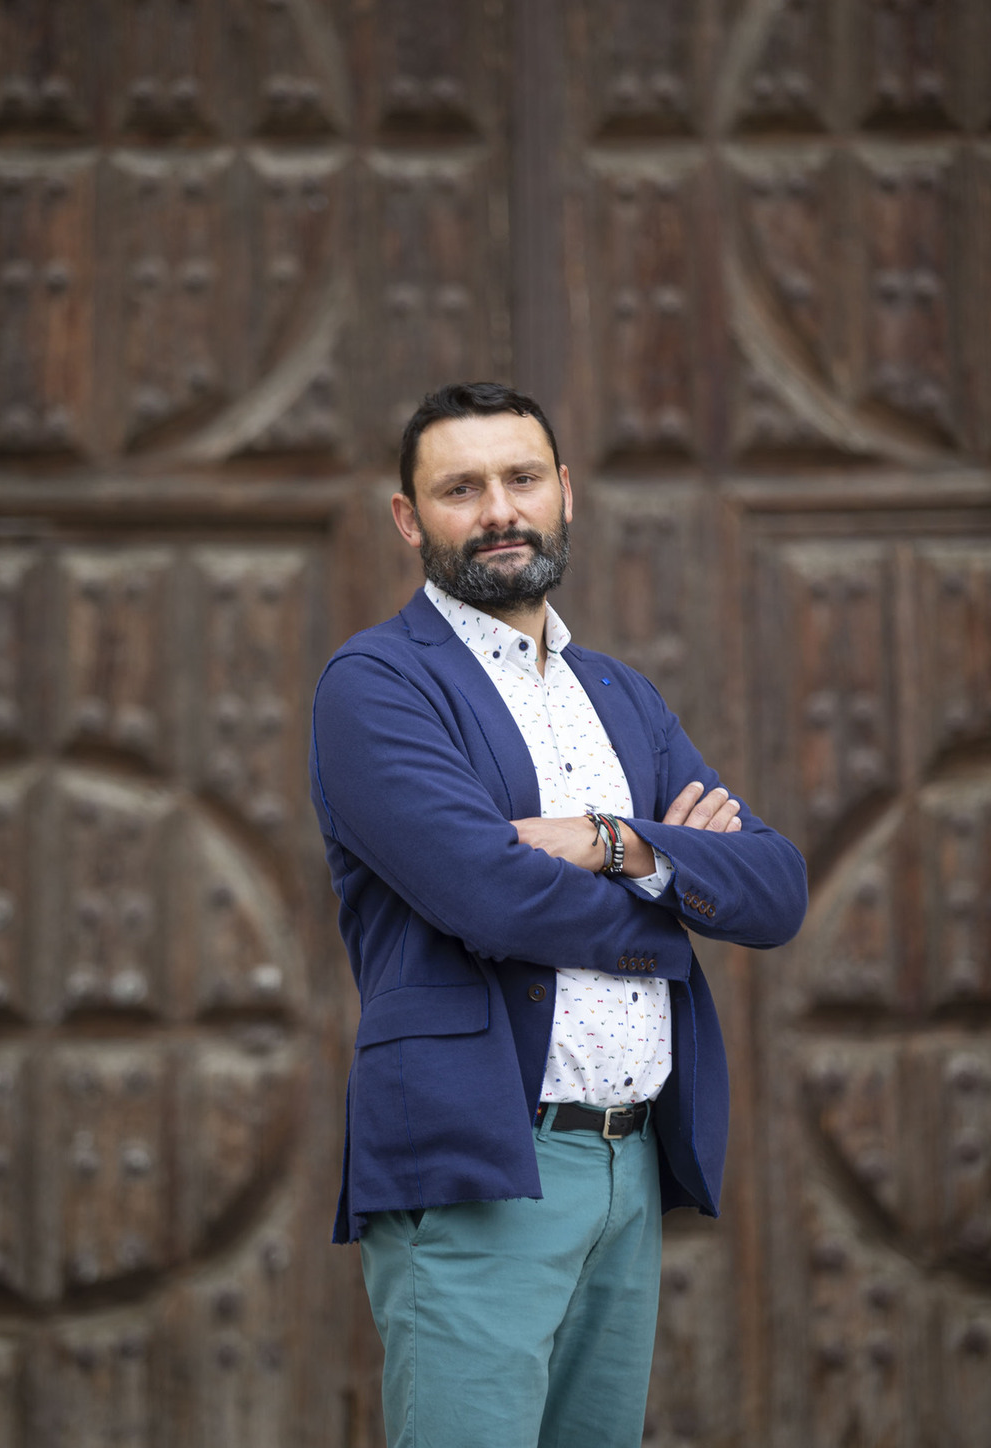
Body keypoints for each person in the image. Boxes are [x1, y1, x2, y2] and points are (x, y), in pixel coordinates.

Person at [309, 381, 807, 1448]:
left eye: (521, 478)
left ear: (564, 493)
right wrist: (674, 886)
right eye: (460, 487)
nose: (498, 509)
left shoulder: (621, 696)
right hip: (482, 1160)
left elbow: (770, 886)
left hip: (628, 1169)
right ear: (408, 517)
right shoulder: (377, 684)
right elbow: (487, 895)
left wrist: (607, 839)